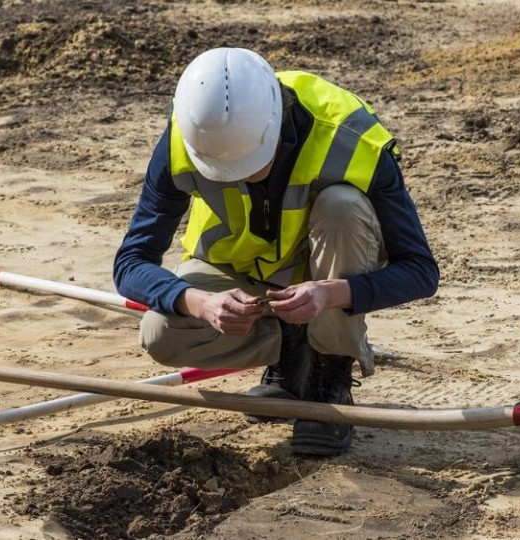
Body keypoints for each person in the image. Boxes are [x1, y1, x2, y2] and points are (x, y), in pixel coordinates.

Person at [114, 47, 438, 456]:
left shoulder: (351, 137)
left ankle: (328, 376)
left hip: (325, 275)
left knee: (343, 207)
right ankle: (291, 350)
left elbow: (421, 272)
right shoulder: (187, 136)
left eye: (251, 164)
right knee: (160, 332)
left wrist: (329, 295)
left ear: (278, 125)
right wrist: (200, 302)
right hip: (236, 274)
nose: (241, 177)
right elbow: (131, 262)